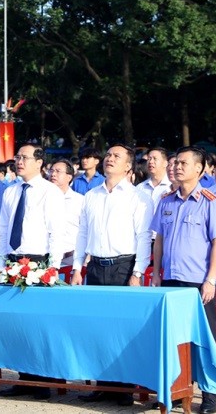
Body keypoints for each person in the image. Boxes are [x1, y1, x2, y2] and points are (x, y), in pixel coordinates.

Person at [72, 145, 153, 407]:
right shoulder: (91, 195)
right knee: (97, 327)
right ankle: (102, 384)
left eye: (117, 156)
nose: (110, 159)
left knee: (121, 329)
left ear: (129, 166)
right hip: (95, 265)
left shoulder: (138, 197)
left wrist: (138, 271)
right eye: (108, 155)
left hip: (123, 266)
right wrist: (76, 266)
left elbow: (143, 237)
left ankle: (123, 388)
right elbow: (82, 232)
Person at [151, 146, 216, 414]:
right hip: (171, 280)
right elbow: (159, 240)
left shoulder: (209, 201)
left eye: (184, 163)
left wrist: (211, 280)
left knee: (205, 341)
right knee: (174, 339)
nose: (177, 167)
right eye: (176, 163)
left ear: (199, 168)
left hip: (198, 283)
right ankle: (177, 390)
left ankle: (210, 395)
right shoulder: (166, 201)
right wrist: (156, 274)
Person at [0, 144, 65, 400]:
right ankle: (23, 379)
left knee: (37, 325)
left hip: (39, 263)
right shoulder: (10, 191)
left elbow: (56, 233)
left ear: (39, 162)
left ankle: (41, 382)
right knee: (16, 324)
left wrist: (53, 267)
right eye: (17, 157)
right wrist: (2, 260)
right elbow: (4, 229)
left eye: (24, 157)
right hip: (12, 261)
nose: (19, 161)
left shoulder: (50, 192)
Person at [47, 159, 84, 266]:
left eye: (58, 171)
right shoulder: (41, 199)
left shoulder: (80, 201)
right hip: (44, 259)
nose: (53, 174)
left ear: (69, 177)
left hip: (70, 259)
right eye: (51, 171)